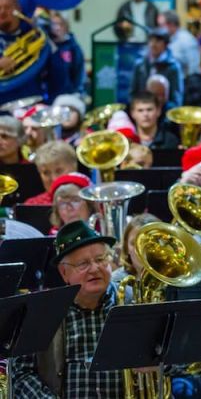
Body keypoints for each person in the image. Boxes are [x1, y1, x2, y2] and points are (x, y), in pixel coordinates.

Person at [10, 221, 125, 397]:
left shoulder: (132, 301)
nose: (95, 268)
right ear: (64, 273)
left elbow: (173, 364)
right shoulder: (42, 312)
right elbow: (20, 374)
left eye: (101, 259)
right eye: (83, 264)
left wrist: (154, 362)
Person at [129, 28, 184, 110]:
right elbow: (133, 93)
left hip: (165, 112)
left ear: (165, 44)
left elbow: (176, 98)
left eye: (157, 41)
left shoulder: (173, 67)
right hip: (142, 110)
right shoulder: (140, 65)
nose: (153, 45)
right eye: (151, 41)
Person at [24, 140, 78, 205]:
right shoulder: (31, 205)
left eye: (59, 171)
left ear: (74, 168)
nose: (54, 179)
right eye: (46, 173)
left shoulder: (89, 201)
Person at [46, 12, 85, 98]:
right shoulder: (46, 47)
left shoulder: (73, 47)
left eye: (60, 24)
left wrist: (76, 94)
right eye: (53, 24)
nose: (57, 28)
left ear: (66, 27)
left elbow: (79, 74)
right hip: (49, 97)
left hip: (68, 96)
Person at [162, 10, 200, 76]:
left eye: (161, 25)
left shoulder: (187, 40)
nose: (159, 28)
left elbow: (194, 67)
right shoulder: (167, 38)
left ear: (171, 25)